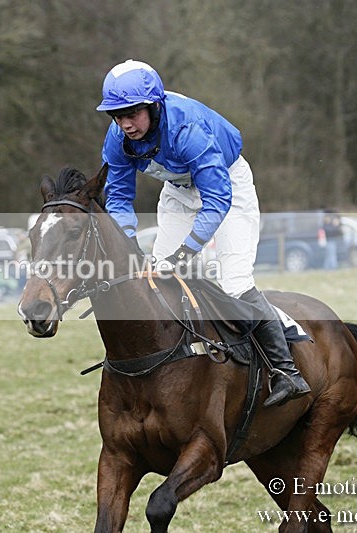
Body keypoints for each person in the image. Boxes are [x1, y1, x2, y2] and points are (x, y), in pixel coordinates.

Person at [97, 59, 310, 406]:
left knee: (234, 282)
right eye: (117, 115)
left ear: (153, 106)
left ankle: (286, 369)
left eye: (132, 113)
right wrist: (130, 246)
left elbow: (216, 200)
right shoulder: (118, 138)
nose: (125, 124)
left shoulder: (187, 129)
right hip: (178, 192)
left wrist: (184, 254)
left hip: (226, 188)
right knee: (155, 278)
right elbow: (118, 197)